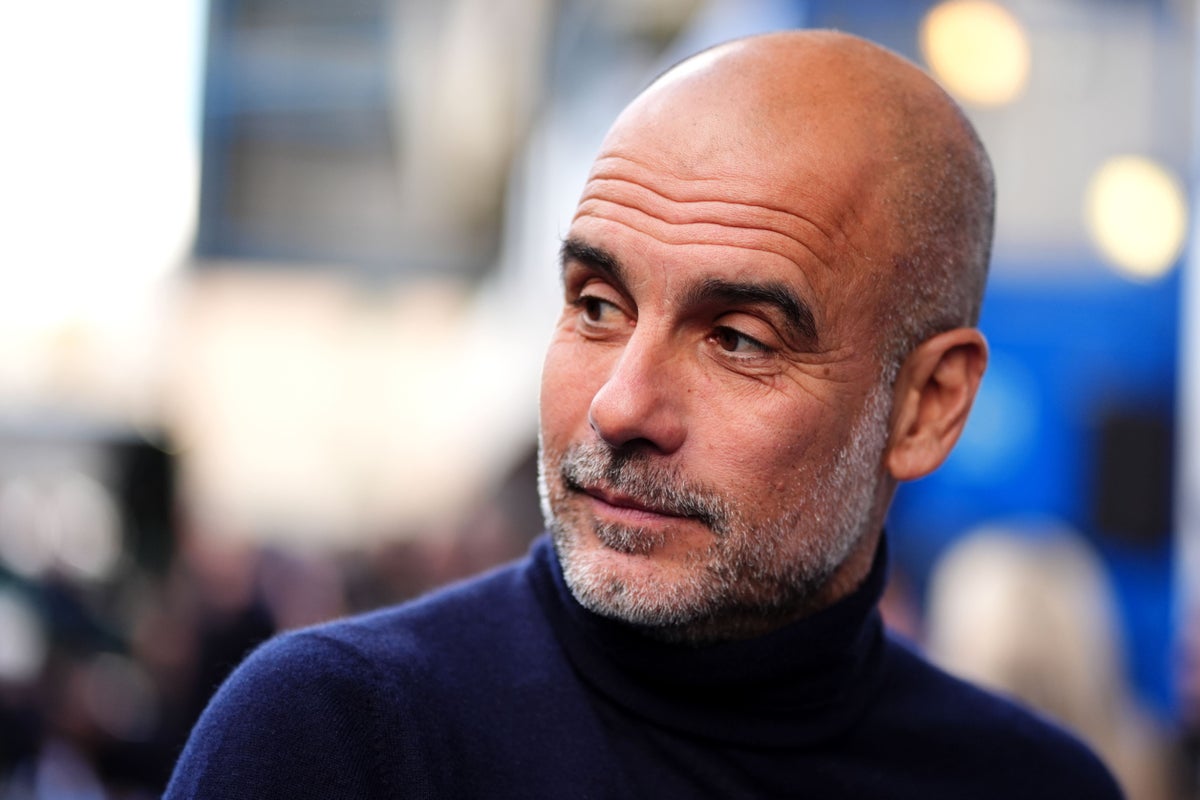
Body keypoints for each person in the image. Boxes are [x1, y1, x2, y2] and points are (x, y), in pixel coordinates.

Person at [164, 30, 1123, 798]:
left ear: (926, 406)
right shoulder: (340, 738)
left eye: (737, 338)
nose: (620, 406)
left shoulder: (1032, 785)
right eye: (596, 306)